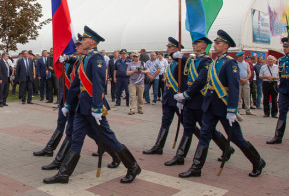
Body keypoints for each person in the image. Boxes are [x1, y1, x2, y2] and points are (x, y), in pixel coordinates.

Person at [44, 26, 141, 185]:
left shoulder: (97, 58)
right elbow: (76, 82)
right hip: (82, 108)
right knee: (76, 139)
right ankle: (64, 174)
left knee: (109, 139)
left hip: (93, 108)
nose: (81, 42)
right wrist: (68, 104)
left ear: (93, 42)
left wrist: (97, 107)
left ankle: (133, 166)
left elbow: (98, 84)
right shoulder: (85, 58)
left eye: (84, 39)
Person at [179, 30, 265, 178]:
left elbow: (234, 87)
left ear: (225, 46)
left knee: (237, 138)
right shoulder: (214, 62)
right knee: (205, 134)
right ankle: (196, 167)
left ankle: (258, 161)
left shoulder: (229, 63)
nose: (215, 45)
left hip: (224, 106)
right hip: (210, 105)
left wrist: (232, 109)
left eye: (218, 43)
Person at [170, 37, 232, 166]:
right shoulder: (193, 60)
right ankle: (180, 156)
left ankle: (227, 148)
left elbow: (200, 81)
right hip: (189, 101)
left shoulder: (207, 60)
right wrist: (176, 56)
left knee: (207, 129)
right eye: (193, 42)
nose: (193, 45)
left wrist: (186, 94)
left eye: (196, 43)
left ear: (204, 45)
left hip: (200, 100)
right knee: (188, 128)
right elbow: (184, 74)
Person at [143, 37, 184, 155]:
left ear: (177, 49)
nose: (167, 49)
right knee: (165, 122)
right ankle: (158, 146)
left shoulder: (182, 63)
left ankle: (219, 143)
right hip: (168, 98)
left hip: (178, 99)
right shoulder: (171, 63)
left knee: (188, 125)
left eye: (170, 47)